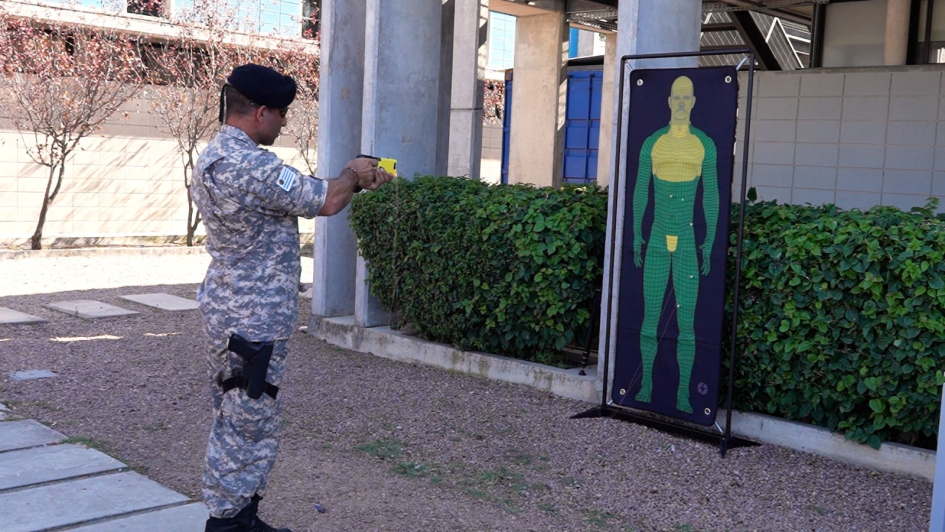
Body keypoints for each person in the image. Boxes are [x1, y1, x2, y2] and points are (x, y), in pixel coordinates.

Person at [191, 63, 393, 532]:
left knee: (234, 412)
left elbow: (294, 192)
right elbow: (327, 200)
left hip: (229, 306)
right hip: (254, 318)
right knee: (249, 417)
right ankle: (229, 524)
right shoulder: (249, 163)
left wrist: (342, 178)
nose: (284, 122)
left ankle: (238, 516)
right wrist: (353, 173)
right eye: (281, 113)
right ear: (261, 112)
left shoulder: (218, 154)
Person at [631, 75, 719, 414]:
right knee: (649, 316)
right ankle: (647, 383)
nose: (681, 103)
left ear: (693, 102)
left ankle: (683, 392)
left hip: (686, 238)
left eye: (687, 98)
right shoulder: (653, 143)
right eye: (676, 98)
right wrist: (636, 234)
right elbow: (641, 191)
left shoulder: (704, 144)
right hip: (655, 237)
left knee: (688, 321)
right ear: (669, 102)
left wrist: (709, 240)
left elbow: (710, 194)